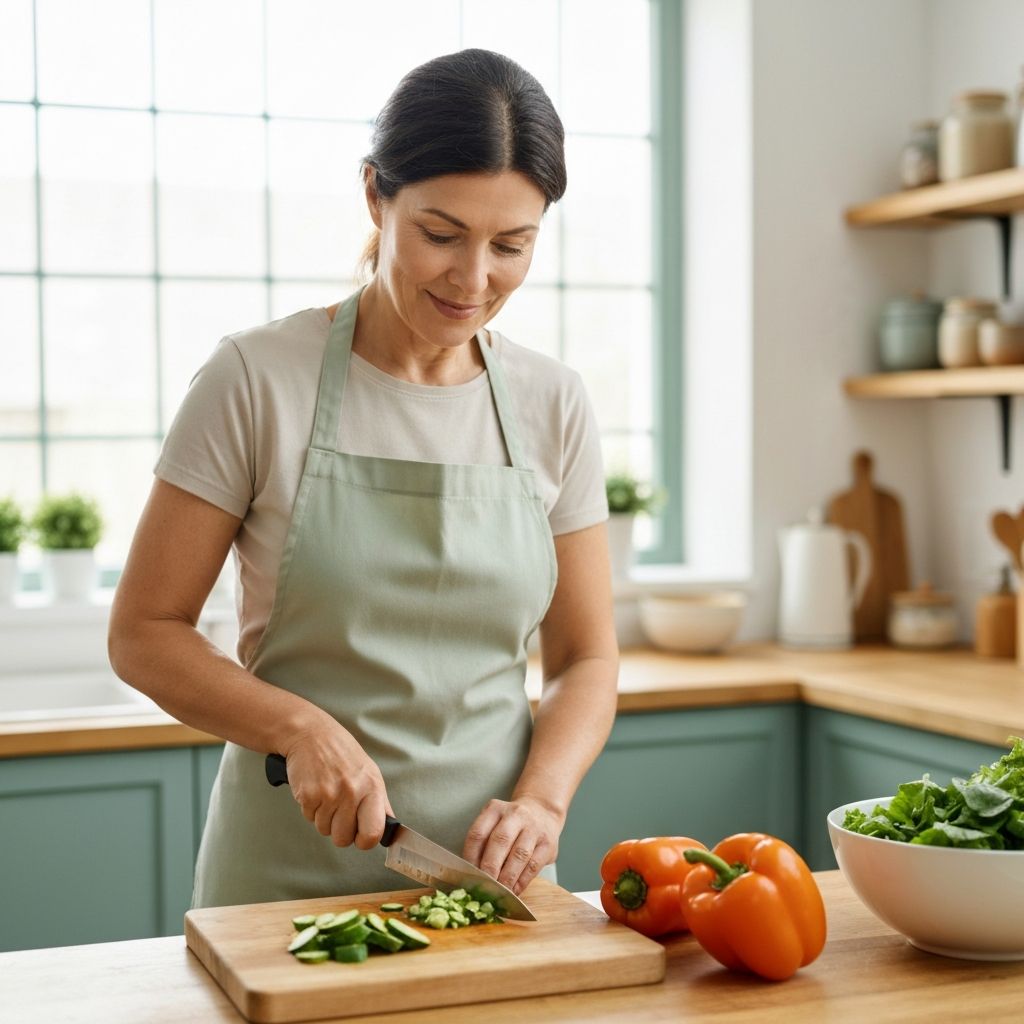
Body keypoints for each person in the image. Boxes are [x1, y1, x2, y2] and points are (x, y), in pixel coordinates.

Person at [108, 48, 619, 909]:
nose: (473, 278)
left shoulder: (552, 403)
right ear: (377, 197)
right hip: (281, 882)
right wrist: (298, 727)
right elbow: (144, 632)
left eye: (512, 245)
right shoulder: (256, 379)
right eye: (441, 234)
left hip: (491, 885)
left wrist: (543, 800)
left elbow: (585, 658)